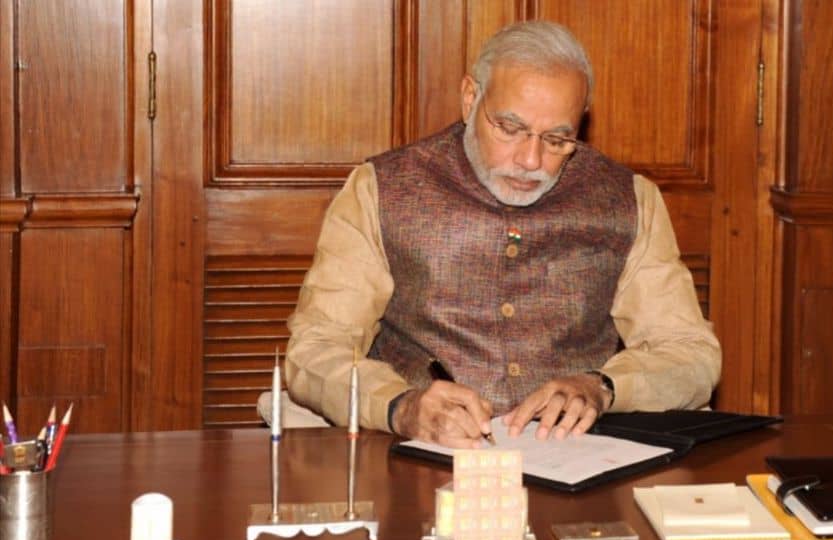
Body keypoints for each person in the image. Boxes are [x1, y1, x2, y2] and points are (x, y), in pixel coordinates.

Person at [286, 20, 721, 447]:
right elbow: (316, 349)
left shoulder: (627, 199)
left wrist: (603, 386)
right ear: (470, 99)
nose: (531, 160)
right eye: (510, 129)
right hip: (419, 455)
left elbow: (690, 353)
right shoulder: (382, 189)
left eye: (557, 139)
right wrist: (400, 406)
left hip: (579, 455)